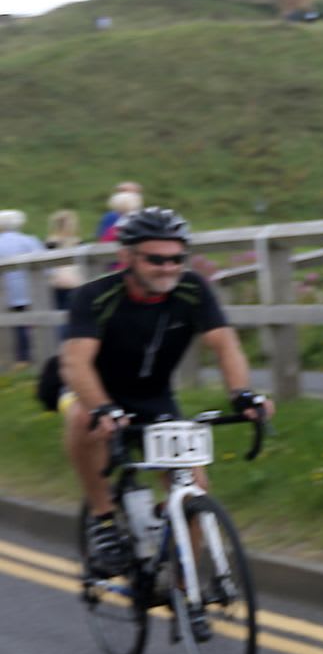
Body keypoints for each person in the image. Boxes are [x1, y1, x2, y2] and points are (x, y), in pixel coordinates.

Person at [59, 207, 273, 576]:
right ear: (126, 257)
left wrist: (242, 394)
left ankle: (180, 590)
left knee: (193, 492)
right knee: (83, 419)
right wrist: (103, 408)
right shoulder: (95, 296)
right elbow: (77, 364)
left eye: (177, 259)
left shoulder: (192, 289)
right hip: (95, 391)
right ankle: (104, 521)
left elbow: (224, 344)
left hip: (154, 398)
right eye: (156, 259)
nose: (168, 268)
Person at [0, 210, 45, 367]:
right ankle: (39, 354)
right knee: (37, 321)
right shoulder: (29, 240)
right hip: (32, 288)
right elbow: (45, 264)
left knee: (15, 324)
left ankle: (21, 357)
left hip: (6, 291)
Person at [44, 208, 86, 317]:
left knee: (60, 313)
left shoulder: (50, 242)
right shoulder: (77, 241)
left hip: (57, 281)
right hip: (76, 280)